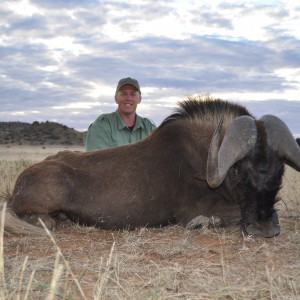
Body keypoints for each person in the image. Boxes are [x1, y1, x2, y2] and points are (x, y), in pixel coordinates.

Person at [85, 77, 156, 150]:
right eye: (123, 94)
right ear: (116, 98)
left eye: (133, 94)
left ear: (139, 99)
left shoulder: (150, 128)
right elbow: (97, 159)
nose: (128, 98)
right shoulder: (102, 126)